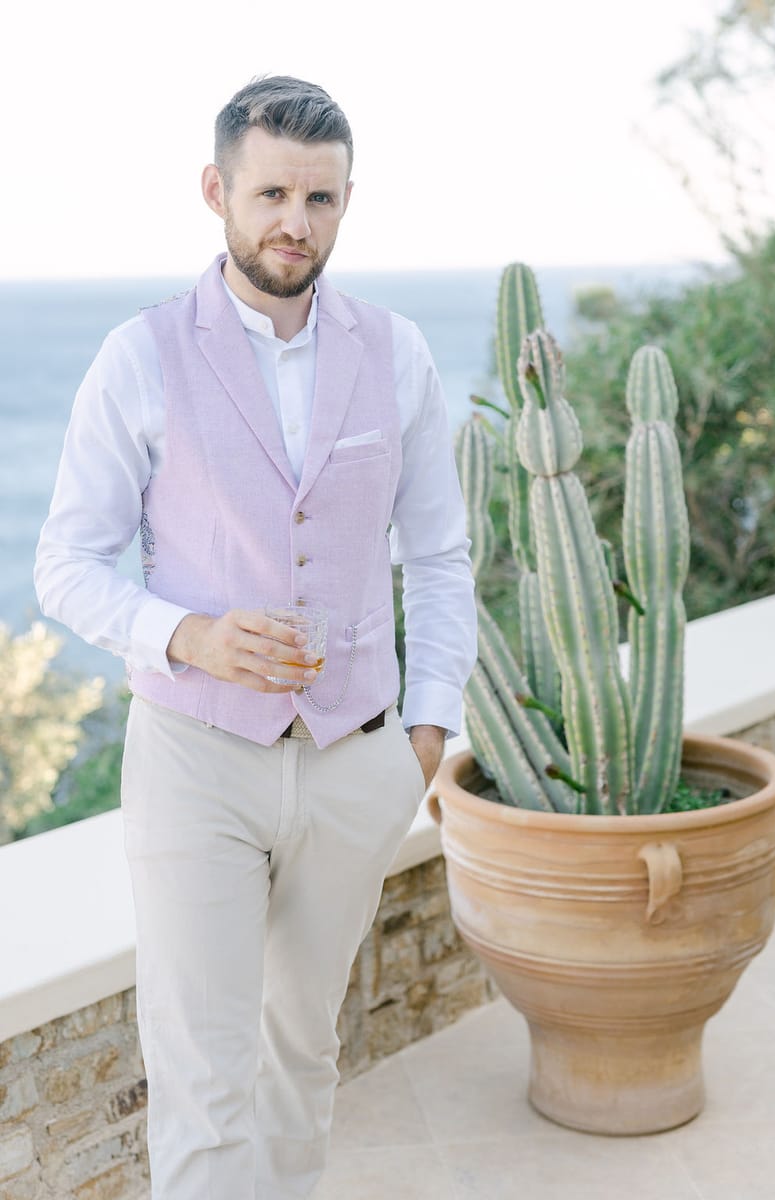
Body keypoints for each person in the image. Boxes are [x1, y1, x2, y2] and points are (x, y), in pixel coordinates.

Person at [35, 75, 477, 1199]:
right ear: (216, 191)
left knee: (303, 1055)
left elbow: (436, 557)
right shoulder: (139, 357)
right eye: (272, 191)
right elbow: (64, 567)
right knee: (201, 1072)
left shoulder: (398, 352)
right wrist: (184, 634)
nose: (295, 220)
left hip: (353, 761)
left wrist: (423, 729)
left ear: (344, 203)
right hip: (197, 761)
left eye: (319, 198)